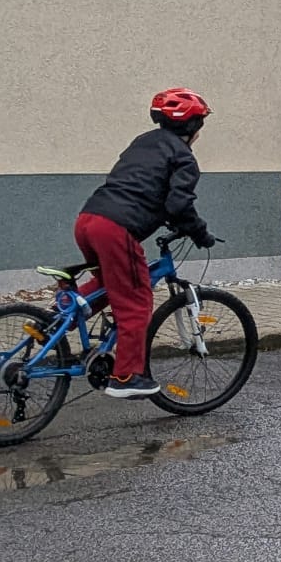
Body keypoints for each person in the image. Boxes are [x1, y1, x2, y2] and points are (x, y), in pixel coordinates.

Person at [74, 88, 218, 398]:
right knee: (137, 302)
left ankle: (56, 317)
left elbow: (139, 186)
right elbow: (179, 204)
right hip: (116, 229)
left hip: (88, 220)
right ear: (193, 126)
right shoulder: (183, 157)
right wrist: (200, 233)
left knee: (110, 283)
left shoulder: (142, 142)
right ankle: (125, 377)